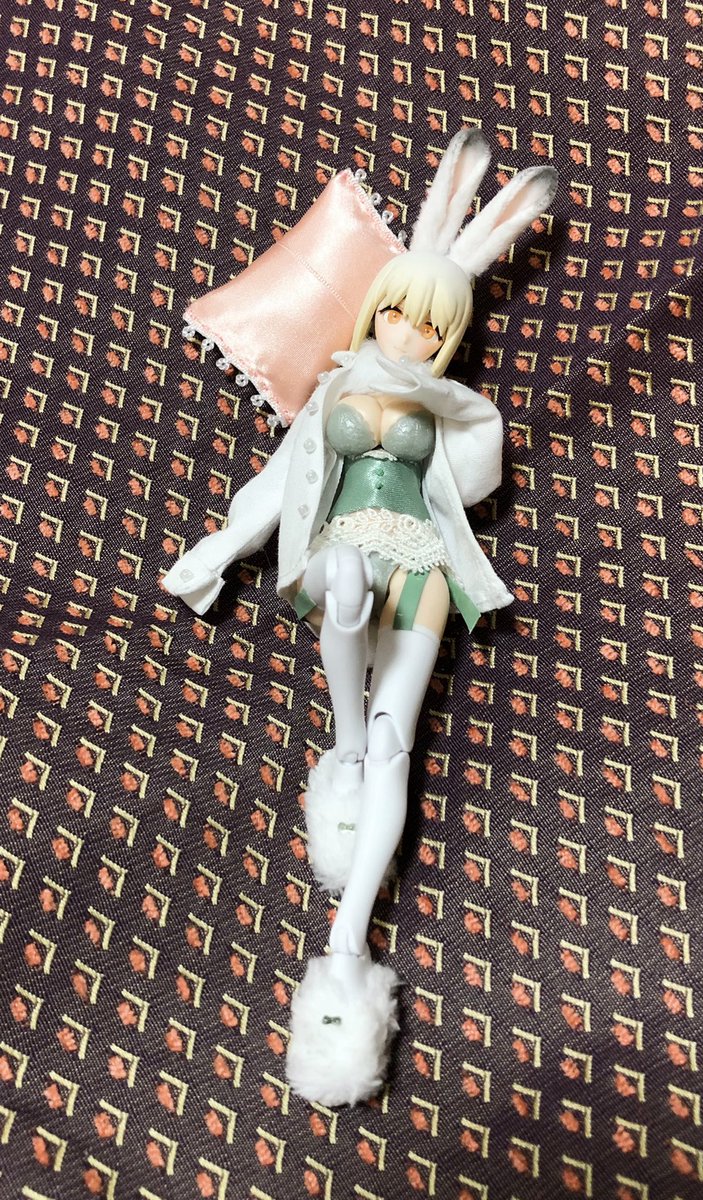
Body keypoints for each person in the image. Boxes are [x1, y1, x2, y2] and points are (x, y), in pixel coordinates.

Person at [162, 129, 558, 1105]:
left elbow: (473, 486)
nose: (409, 335)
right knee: (340, 580)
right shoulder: (334, 386)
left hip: (421, 567)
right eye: (397, 312)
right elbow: (276, 481)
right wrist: (221, 545)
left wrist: (458, 416)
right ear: (376, 305)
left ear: (450, 335)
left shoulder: (448, 406)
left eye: (432, 326)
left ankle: (347, 948)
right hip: (342, 553)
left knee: (396, 742)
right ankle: (338, 749)